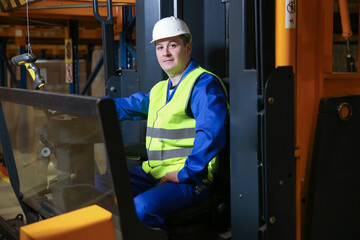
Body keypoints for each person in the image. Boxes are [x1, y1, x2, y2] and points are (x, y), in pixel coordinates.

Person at [99, 16, 228, 230]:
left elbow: (211, 135)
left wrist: (184, 173)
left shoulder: (203, 84)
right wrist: (90, 107)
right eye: (160, 47)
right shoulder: (161, 89)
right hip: (156, 171)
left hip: (191, 177)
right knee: (97, 187)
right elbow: (127, 106)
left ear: (188, 48)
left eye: (173, 45)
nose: (165, 53)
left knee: (142, 207)